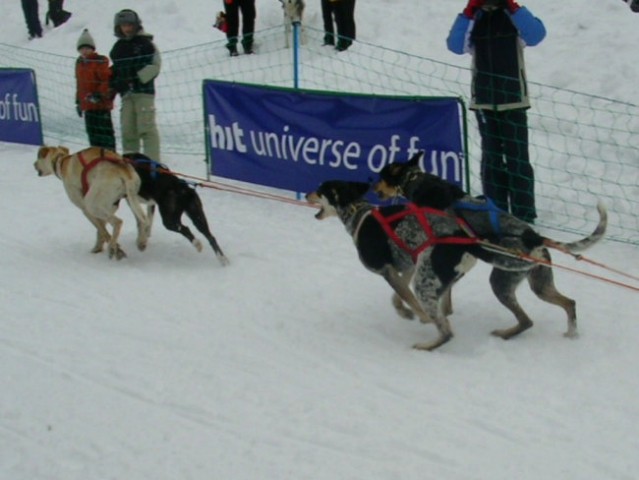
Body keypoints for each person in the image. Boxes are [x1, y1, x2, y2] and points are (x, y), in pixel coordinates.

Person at [447, 0, 545, 223]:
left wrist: (513, 7)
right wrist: (469, 13)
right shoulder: (475, 19)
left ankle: (523, 213)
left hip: (514, 100)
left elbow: (536, 35)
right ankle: (496, 208)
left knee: (517, 157)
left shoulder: (513, 17)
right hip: (483, 101)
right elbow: (455, 45)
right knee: (491, 157)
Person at [110, 9, 162, 161]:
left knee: (146, 129)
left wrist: (137, 78)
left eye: (129, 25)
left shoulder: (145, 44)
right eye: (123, 26)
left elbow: (155, 66)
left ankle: (153, 164)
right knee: (128, 131)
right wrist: (114, 83)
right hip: (126, 95)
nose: (126, 29)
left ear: (136, 25)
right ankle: (131, 164)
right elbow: (116, 69)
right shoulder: (118, 47)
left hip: (143, 93)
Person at [75, 29, 116, 151]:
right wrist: (78, 102)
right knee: (92, 135)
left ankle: (110, 155)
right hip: (88, 106)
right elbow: (79, 85)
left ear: (92, 49)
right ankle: (96, 156)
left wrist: (99, 95)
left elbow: (105, 80)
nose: (85, 51)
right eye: (82, 49)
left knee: (105, 134)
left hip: (101, 106)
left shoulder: (100, 61)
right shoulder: (79, 63)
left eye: (87, 48)